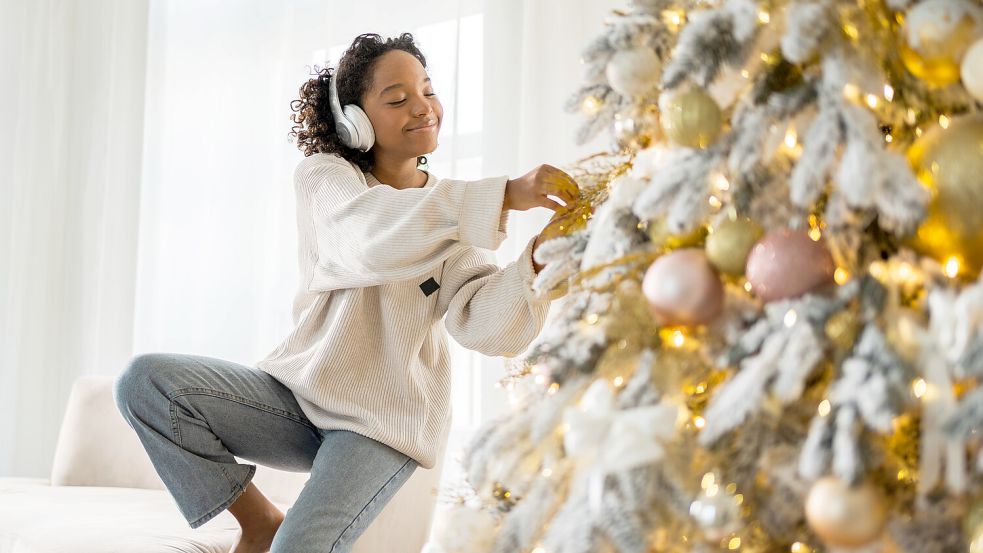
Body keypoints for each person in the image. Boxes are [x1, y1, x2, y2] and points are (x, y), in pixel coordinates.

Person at [114, 32, 579, 553]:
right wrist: (505, 195)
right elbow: (365, 240)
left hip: (385, 422)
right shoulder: (326, 179)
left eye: (428, 90)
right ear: (355, 122)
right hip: (302, 397)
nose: (423, 107)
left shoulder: (452, 217)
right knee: (147, 382)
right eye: (398, 99)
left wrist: (538, 261)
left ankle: (280, 535)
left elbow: (486, 328)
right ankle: (258, 518)